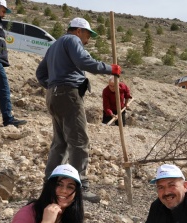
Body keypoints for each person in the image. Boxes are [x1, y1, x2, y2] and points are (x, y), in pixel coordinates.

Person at [36, 17, 122, 203]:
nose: (87, 40)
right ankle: (80, 186)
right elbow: (84, 62)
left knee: (60, 143)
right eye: (87, 35)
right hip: (68, 94)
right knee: (79, 141)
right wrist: (110, 69)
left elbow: (40, 73)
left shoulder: (55, 45)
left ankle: (50, 185)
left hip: (54, 95)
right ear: (78, 31)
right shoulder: (72, 40)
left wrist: (53, 85)